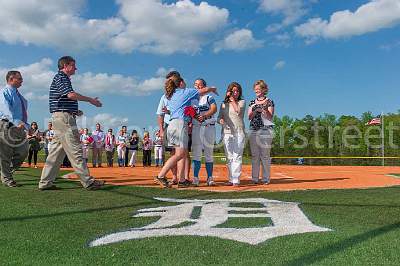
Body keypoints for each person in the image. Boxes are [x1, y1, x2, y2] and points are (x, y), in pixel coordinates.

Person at [38, 56, 105, 190]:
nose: (76, 68)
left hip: (60, 117)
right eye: (73, 65)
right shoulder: (61, 77)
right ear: (66, 65)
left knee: (56, 153)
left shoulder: (61, 78)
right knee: (76, 150)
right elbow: (71, 95)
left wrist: (75, 110)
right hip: (64, 119)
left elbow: (63, 98)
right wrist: (91, 100)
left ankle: (45, 183)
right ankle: (88, 181)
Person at [155, 73, 216, 188]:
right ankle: (161, 175)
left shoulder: (170, 95)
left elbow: (174, 110)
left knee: (180, 153)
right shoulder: (185, 92)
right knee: (181, 153)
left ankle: (182, 180)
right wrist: (213, 88)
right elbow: (204, 90)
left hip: (173, 124)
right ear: (180, 83)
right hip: (179, 124)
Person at [0, 70, 29, 187]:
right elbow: (5, 109)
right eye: (19, 79)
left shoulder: (20, 96)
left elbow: (23, 113)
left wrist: (26, 125)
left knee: (23, 152)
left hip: (20, 126)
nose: (22, 81)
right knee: (5, 154)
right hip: (8, 125)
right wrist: (15, 122)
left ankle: (5, 172)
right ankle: (7, 178)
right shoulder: (4, 92)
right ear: (11, 79)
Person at [218, 82, 246, 186]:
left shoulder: (242, 102)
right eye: (233, 91)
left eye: (237, 91)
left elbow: (238, 110)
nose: (235, 93)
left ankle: (236, 180)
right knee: (229, 156)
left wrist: (232, 100)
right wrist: (220, 120)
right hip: (226, 132)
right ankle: (231, 179)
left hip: (239, 132)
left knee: (237, 156)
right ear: (229, 91)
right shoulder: (223, 104)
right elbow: (218, 117)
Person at [191, 78, 217, 186]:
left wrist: (204, 116)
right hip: (197, 127)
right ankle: (195, 178)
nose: (197, 86)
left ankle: (209, 177)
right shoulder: (192, 99)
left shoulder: (208, 97)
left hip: (208, 126)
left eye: (200, 85)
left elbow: (214, 108)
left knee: (209, 153)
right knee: (196, 153)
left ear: (204, 87)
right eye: (195, 84)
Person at [248, 80, 275, 184]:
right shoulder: (252, 102)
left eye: (259, 89)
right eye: (255, 89)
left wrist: (264, 109)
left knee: (265, 155)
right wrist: (256, 110)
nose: (257, 91)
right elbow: (249, 117)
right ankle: (254, 179)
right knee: (255, 155)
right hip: (254, 130)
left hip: (266, 130)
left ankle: (265, 179)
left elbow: (270, 116)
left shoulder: (269, 101)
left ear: (264, 89)